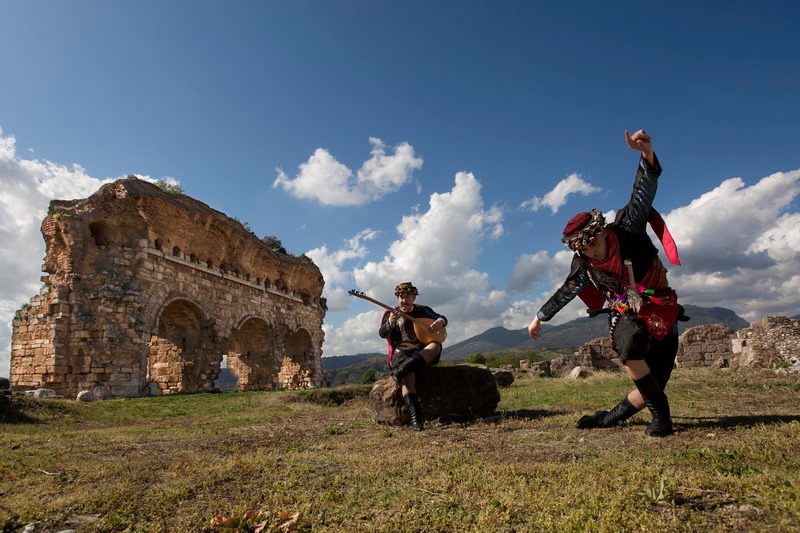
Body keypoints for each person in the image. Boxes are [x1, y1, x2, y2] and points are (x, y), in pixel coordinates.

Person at [527, 129, 685, 437]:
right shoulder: (584, 263)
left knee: (650, 387)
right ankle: (663, 419)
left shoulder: (628, 229)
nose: (590, 250)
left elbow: (643, 192)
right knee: (628, 347)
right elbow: (567, 291)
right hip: (627, 314)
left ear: (601, 231)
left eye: (592, 242)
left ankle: (607, 419)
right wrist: (538, 318)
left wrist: (646, 154)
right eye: (582, 248)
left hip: (662, 310)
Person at [379, 282, 447, 431]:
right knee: (408, 379)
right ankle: (416, 419)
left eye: (407, 296)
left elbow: (442, 318)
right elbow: (382, 333)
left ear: (414, 297)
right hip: (401, 353)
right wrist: (391, 322)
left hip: (422, 352)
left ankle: (401, 370)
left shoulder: (423, 311)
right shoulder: (390, 314)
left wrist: (440, 322)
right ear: (397, 298)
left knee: (435, 346)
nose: (404, 300)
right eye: (401, 297)